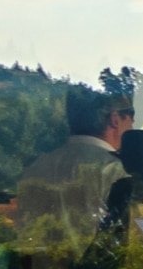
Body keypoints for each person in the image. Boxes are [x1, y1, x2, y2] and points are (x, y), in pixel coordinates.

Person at [11, 88, 133, 233]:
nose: (132, 125)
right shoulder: (115, 170)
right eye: (131, 117)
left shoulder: (37, 166)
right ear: (115, 120)